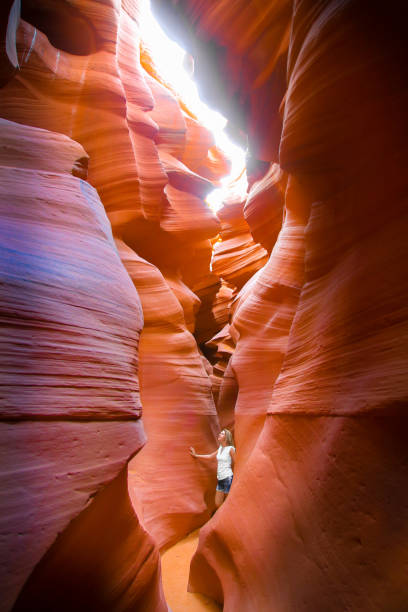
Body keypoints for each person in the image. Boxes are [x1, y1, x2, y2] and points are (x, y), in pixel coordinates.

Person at [190, 429, 235, 509]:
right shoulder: (220, 449)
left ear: (226, 437)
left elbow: (236, 461)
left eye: (222, 434)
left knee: (229, 501)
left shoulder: (230, 449)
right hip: (220, 478)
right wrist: (196, 455)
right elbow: (210, 456)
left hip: (227, 477)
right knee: (218, 503)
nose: (219, 434)